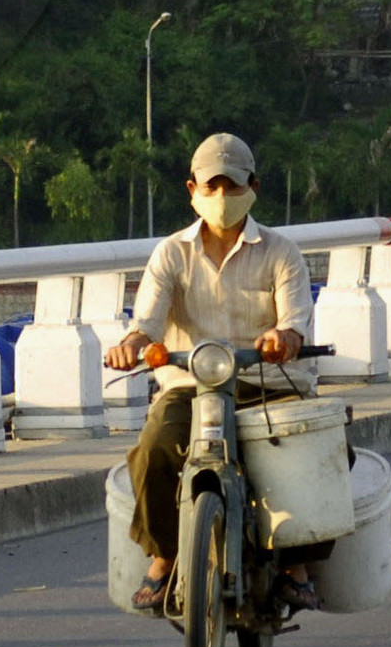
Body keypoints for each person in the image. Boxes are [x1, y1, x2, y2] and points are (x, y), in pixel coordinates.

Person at [105, 131, 318, 614]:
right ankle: (164, 554)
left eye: (232, 186)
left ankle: (295, 566)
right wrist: (132, 344)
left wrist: (284, 339)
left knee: (308, 448)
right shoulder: (171, 254)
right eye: (212, 186)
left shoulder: (282, 252)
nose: (221, 197)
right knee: (156, 445)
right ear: (192, 189)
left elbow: (296, 320)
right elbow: (147, 322)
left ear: (253, 187)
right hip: (193, 386)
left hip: (268, 384)